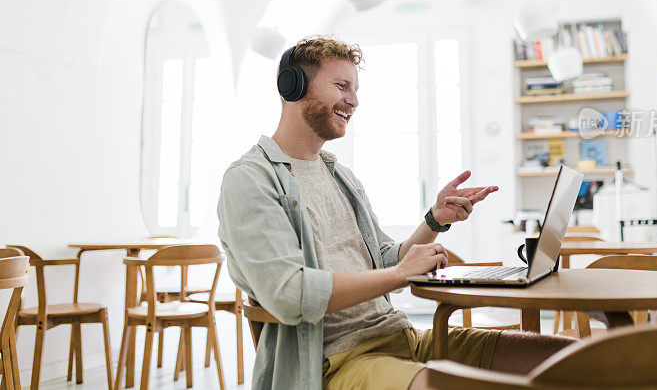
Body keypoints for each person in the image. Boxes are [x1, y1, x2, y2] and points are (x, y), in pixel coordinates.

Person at [217, 36, 575, 390]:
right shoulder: (251, 180)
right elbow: (290, 293)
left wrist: (435, 220)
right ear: (292, 86)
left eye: (355, 89)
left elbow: (386, 260)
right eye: (342, 86)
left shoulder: (339, 174)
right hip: (336, 361)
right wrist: (401, 274)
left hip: (405, 340)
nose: (354, 100)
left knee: (574, 359)